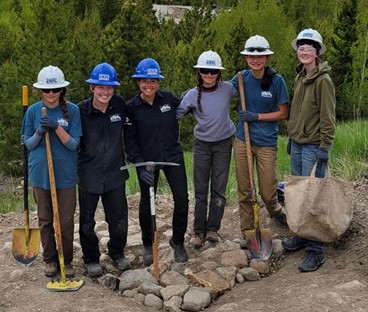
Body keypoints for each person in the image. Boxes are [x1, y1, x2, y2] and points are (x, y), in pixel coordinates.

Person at [124, 58, 189, 265]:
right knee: (146, 202)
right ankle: (147, 242)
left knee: (182, 199)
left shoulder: (169, 99)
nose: (148, 85)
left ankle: (177, 242)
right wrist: (140, 165)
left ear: (158, 82)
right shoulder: (132, 108)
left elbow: (189, 106)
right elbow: (130, 142)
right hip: (147, 161)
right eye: (144, 81)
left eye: (152, 81)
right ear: (138, 83)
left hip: (172, 157)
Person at [282, 29, 336, 272]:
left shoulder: (323, 81)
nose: (304, 51)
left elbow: (328, 119)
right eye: (301, 47)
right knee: (298, 195)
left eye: (309, 47)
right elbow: (297, 111)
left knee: (314, 197)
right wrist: (292, 136)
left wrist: (324, 147)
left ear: (317, 52)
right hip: (298, 144)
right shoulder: (300, 77)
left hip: (314, 147)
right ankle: (302, 235)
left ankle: (316, 251)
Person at [21, 65, 82, 278]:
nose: (51, 94)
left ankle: (66, 259)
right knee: (45, 219)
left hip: (65, 175)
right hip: (40, 174)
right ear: (40, 91)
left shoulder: (72, 111)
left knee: (65, 221)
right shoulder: (33, 111)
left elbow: (74, 144)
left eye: (55, 89)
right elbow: (28, 144)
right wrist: (40, 131)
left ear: (62, 89)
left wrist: (57, 127)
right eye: (46, 90)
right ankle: (49, 259)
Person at [231, 35, 289, 249]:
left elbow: (284, 113)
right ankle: (247, 231)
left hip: (266, 142)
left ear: (266, 57)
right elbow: (219, 92)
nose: (255, 60)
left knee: (266, 190)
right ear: (246, 58)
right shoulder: (240, 78)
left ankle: (275, 210)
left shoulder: (277, 81)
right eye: (251, 56)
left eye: (260, 56)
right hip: (243, 140)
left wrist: (256, 116)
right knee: (245, 189)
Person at [176, 50, 237, 248]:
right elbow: (175, 114)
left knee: (219, 187)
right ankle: (198, 231)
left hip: (224, 143)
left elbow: (247, 89)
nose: (209, 75)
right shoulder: (192, 95)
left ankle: (213, 229)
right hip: (202, 144)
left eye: (213, 71)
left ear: (219, 73)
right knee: (201, 189)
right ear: (199, 72)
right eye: (205, 71)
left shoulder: (228, 89)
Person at [77, 63, 130, 277]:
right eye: (100, 87)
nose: (105, 92)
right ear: (92, 87)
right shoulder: (80, 110)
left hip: (115, 173)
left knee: (118, 219)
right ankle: (90, 258)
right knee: (87, 221)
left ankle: (117, 252)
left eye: (109, 87)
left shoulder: (119, 106)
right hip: (88, 174)